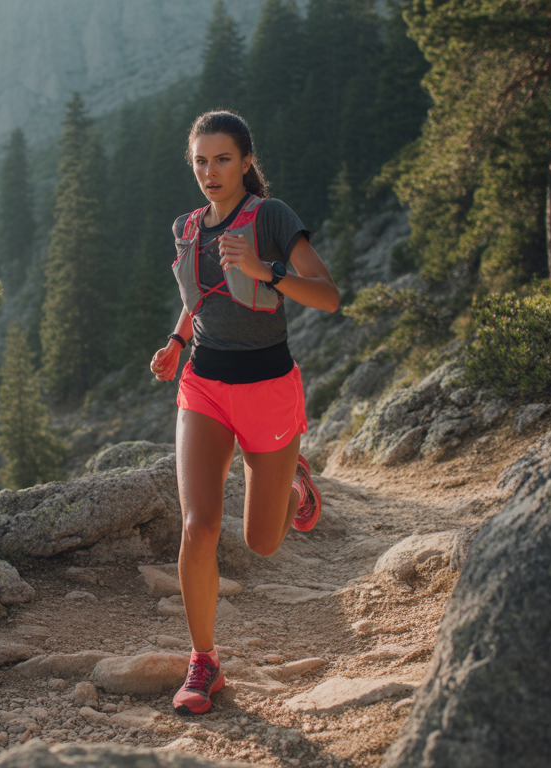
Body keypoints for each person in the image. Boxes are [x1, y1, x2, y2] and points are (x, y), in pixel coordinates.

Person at [148, 111, 340, 715]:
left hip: (269, 387)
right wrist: (177, 345)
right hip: (204, 384)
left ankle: (292, 485)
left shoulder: (272, 217)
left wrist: (268, 272)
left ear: (246, 161)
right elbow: (199, 298)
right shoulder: (186, 228)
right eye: (200, 161)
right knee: (199, 526)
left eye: (222, 159)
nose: (210, 172)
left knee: (260, 543)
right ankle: (203, 663)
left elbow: (328, 296)